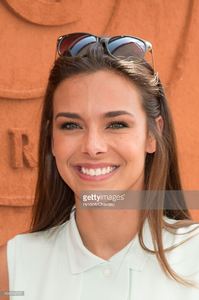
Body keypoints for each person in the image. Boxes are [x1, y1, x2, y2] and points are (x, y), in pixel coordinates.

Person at [1, 33, 199, 300]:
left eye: (117, 124)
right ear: (52, 139)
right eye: (71, 125)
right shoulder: (14, 268)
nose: (92, 146)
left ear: (153, 134)